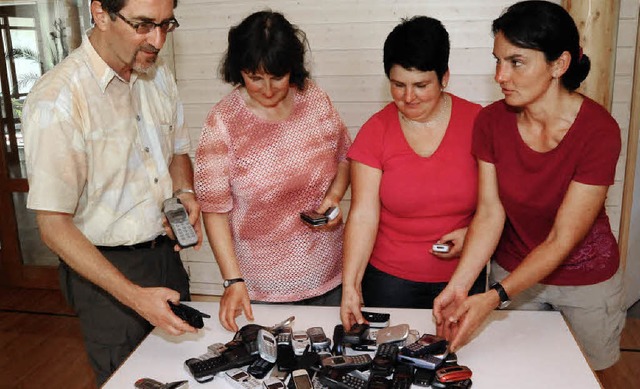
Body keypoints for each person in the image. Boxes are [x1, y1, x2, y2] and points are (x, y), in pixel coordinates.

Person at [433, 0, 625, 372]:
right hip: (512, 268)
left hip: (586, 278)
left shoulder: (599, 132)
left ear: (559, 65)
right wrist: (460, 286)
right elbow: (490, 212)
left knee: (590, 377)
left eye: (516, 62)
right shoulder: (491, 122)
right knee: (515, 372)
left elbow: (560, 240)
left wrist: (492, 298)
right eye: (497, 60)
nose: (500, 76)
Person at [22, 0, 203, 385]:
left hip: (165, 257)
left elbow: (177, 152)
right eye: (143, 25)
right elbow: (53, 226)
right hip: (104, 277)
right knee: (130, 380)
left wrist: (184, 191)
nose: (157, 40)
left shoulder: (159, 75)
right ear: (100, 13)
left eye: (166, 25)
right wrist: (135, 297)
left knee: (185, 372)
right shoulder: (58, 98)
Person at [194, 10, 351, 332]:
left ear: (292, 69)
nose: (267, 89)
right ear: (239, 71)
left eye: (277, 77)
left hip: (329, 273)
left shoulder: (315, 100)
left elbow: (345, 158)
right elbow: (213, 210)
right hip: (261, 287)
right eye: (255, 77)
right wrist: (232, 279)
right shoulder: (223, 121)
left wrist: (334, 197)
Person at [340, 16, 484, 329]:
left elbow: (497, 205)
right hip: (390, 281)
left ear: (444, 76)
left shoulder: (480, 124)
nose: (408, 97)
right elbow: (363, 214)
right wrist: (351, 285)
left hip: (464, 275)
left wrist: (472, 232)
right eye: (398, 85)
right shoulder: (375, 131)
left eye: (421, 86)